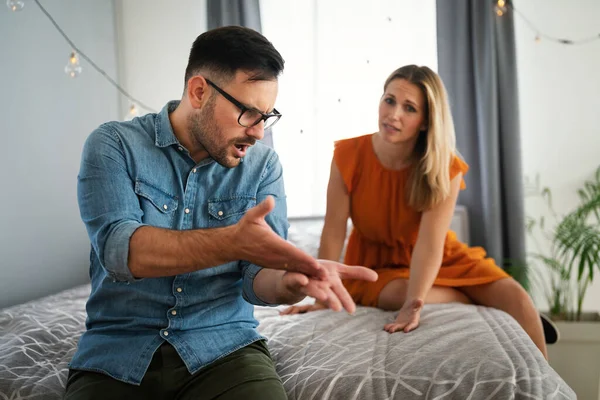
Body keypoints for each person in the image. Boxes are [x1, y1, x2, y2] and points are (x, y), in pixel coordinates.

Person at [64, 26, 377, 399]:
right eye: (248, 113)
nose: (259, 132)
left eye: (267, 115)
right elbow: (121, 252)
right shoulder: (114, 144)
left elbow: (258, 274)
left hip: (224, 350)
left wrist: (289, 284)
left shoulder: (263, 167)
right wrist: (232, 241)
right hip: (116, 353)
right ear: (199, 92)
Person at [281, 64, 549, 359]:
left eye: (409, 108)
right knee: (401, 294)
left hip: (439, 257)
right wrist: (323, 292)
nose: (394, 114)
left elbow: (430, 244)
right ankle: (476, 300)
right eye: (389, 100)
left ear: (425, 121)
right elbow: (333, 230)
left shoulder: (445, 166)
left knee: (518, 298)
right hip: (377, 264)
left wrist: (416, 303)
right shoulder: (348, 155)